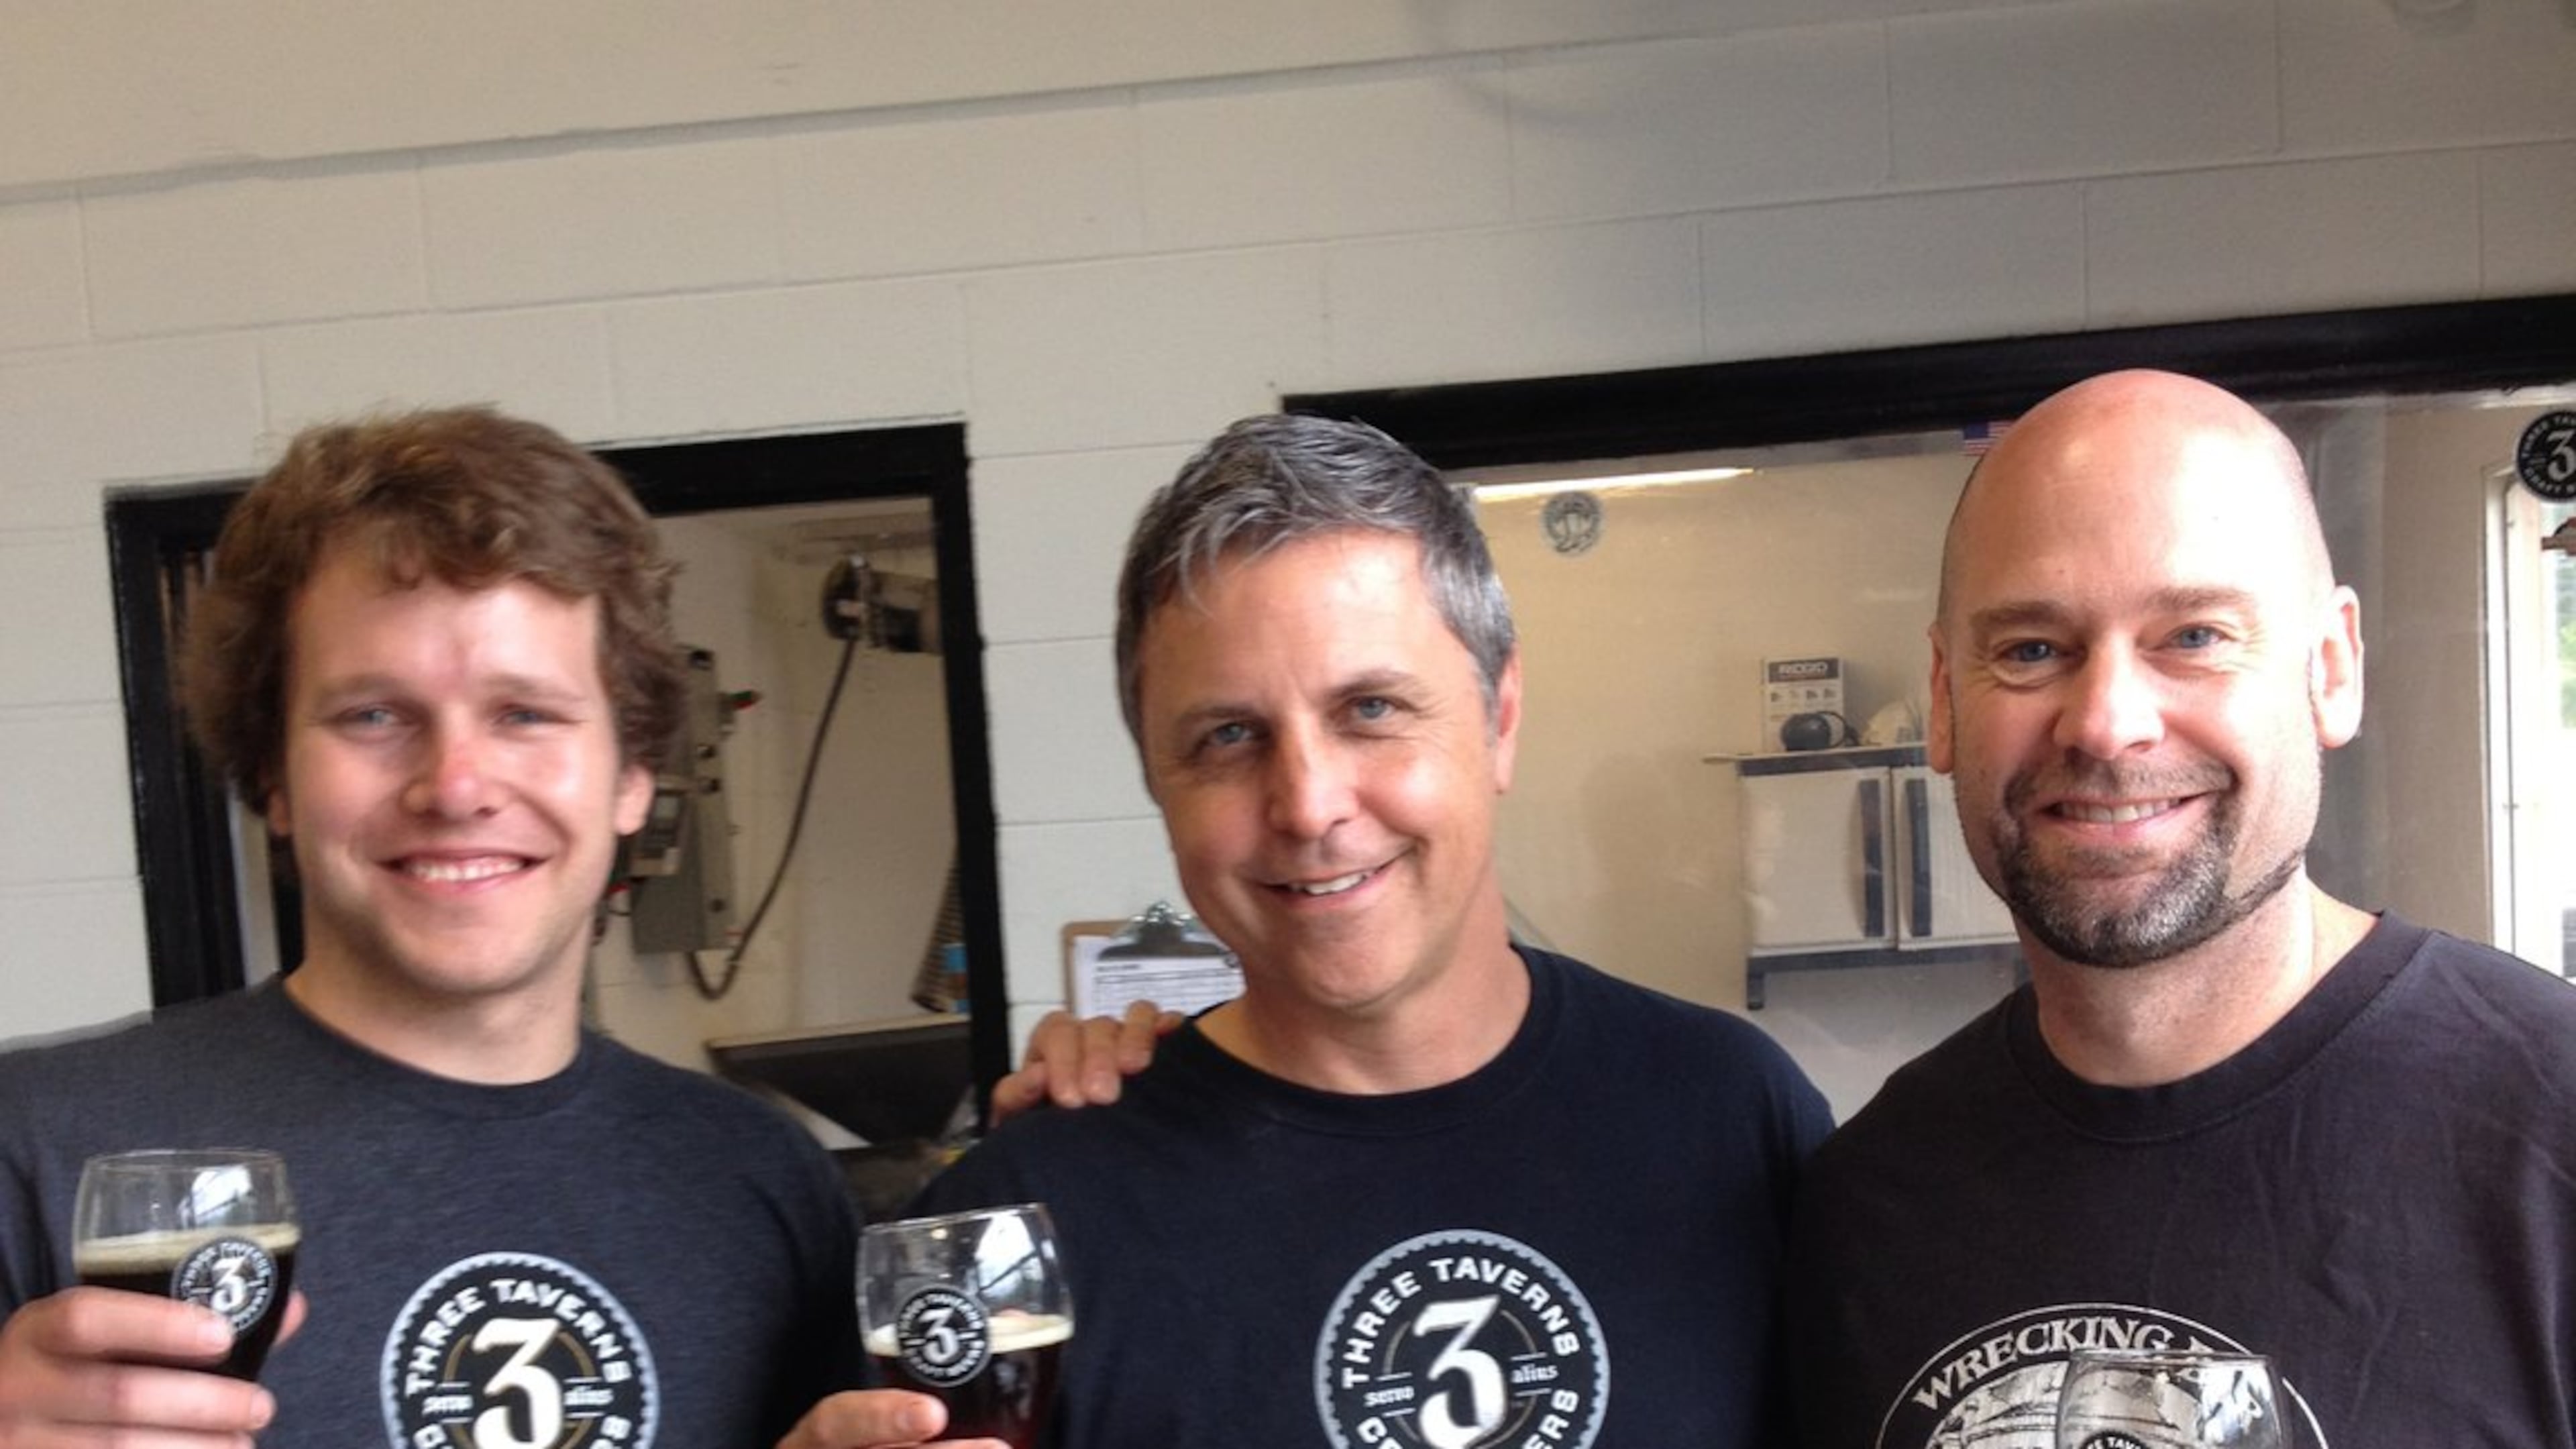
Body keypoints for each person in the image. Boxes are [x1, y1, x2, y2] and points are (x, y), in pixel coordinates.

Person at [792, 413, 1831, 1449]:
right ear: (1157, 778)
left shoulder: (1728, 1115)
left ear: (1498, 719)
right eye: (1229, 736)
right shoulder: (1019, 1223)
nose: (1307, 804)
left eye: (1371, 709)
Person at [0, 407, 994, 1449]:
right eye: (374, 715)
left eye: (526, 713)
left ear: (632, 777)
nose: (458, 785)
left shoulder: (758, 1175)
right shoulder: (44, 1153)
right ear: (272, 777)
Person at [1782, 370, 2576, 1447]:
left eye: (2194, 635)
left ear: (2330, 668)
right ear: (1943, 701)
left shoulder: (2549, 1132)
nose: (2106, 724)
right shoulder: (1866, 1206)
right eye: (2031, 650)